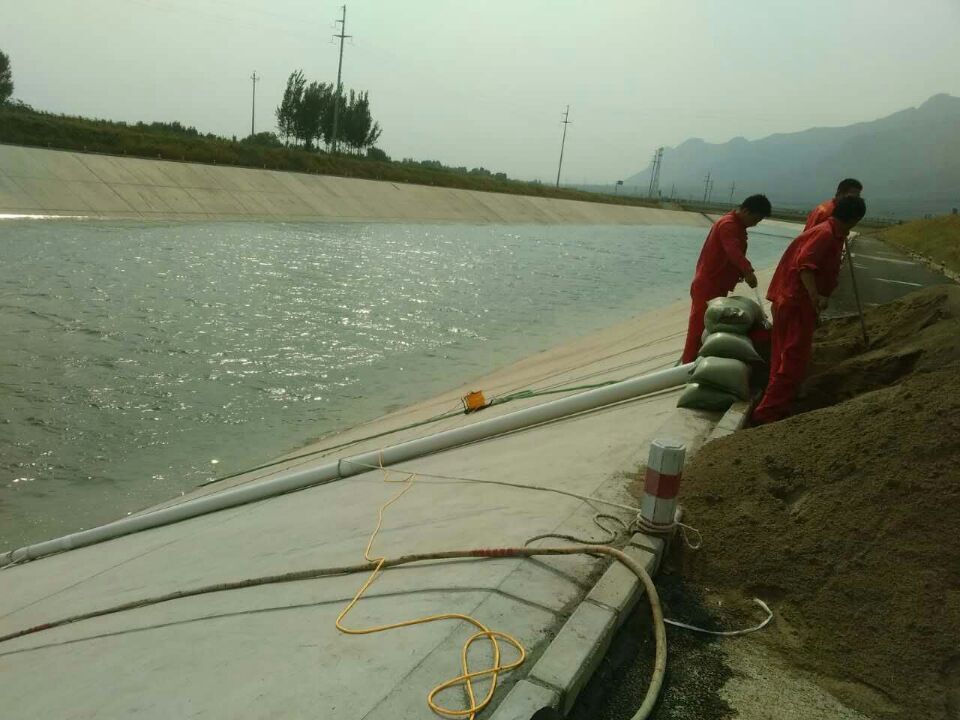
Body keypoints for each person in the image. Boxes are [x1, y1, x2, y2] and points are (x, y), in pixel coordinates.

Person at [751, 195, 867, 424]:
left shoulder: (830, 233)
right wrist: (816, 297)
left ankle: (775, 405)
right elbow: (805, 266)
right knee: (793, 360)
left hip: (789, 301)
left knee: (782, 357)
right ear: (854, 219)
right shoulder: (825, 234)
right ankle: (767, 412)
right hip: (796, 303)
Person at [680, 194, 772, 363]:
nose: (755, 224)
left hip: (717, 285)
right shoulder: (728, 225)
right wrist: (747, 271)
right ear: (746, 211)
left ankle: (697, 361)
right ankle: (688, 364)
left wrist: (739, 273)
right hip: (708, 284)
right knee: (698, 330)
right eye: (755, 219)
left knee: (708, 328)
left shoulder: (737, 226)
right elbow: (732, 251)